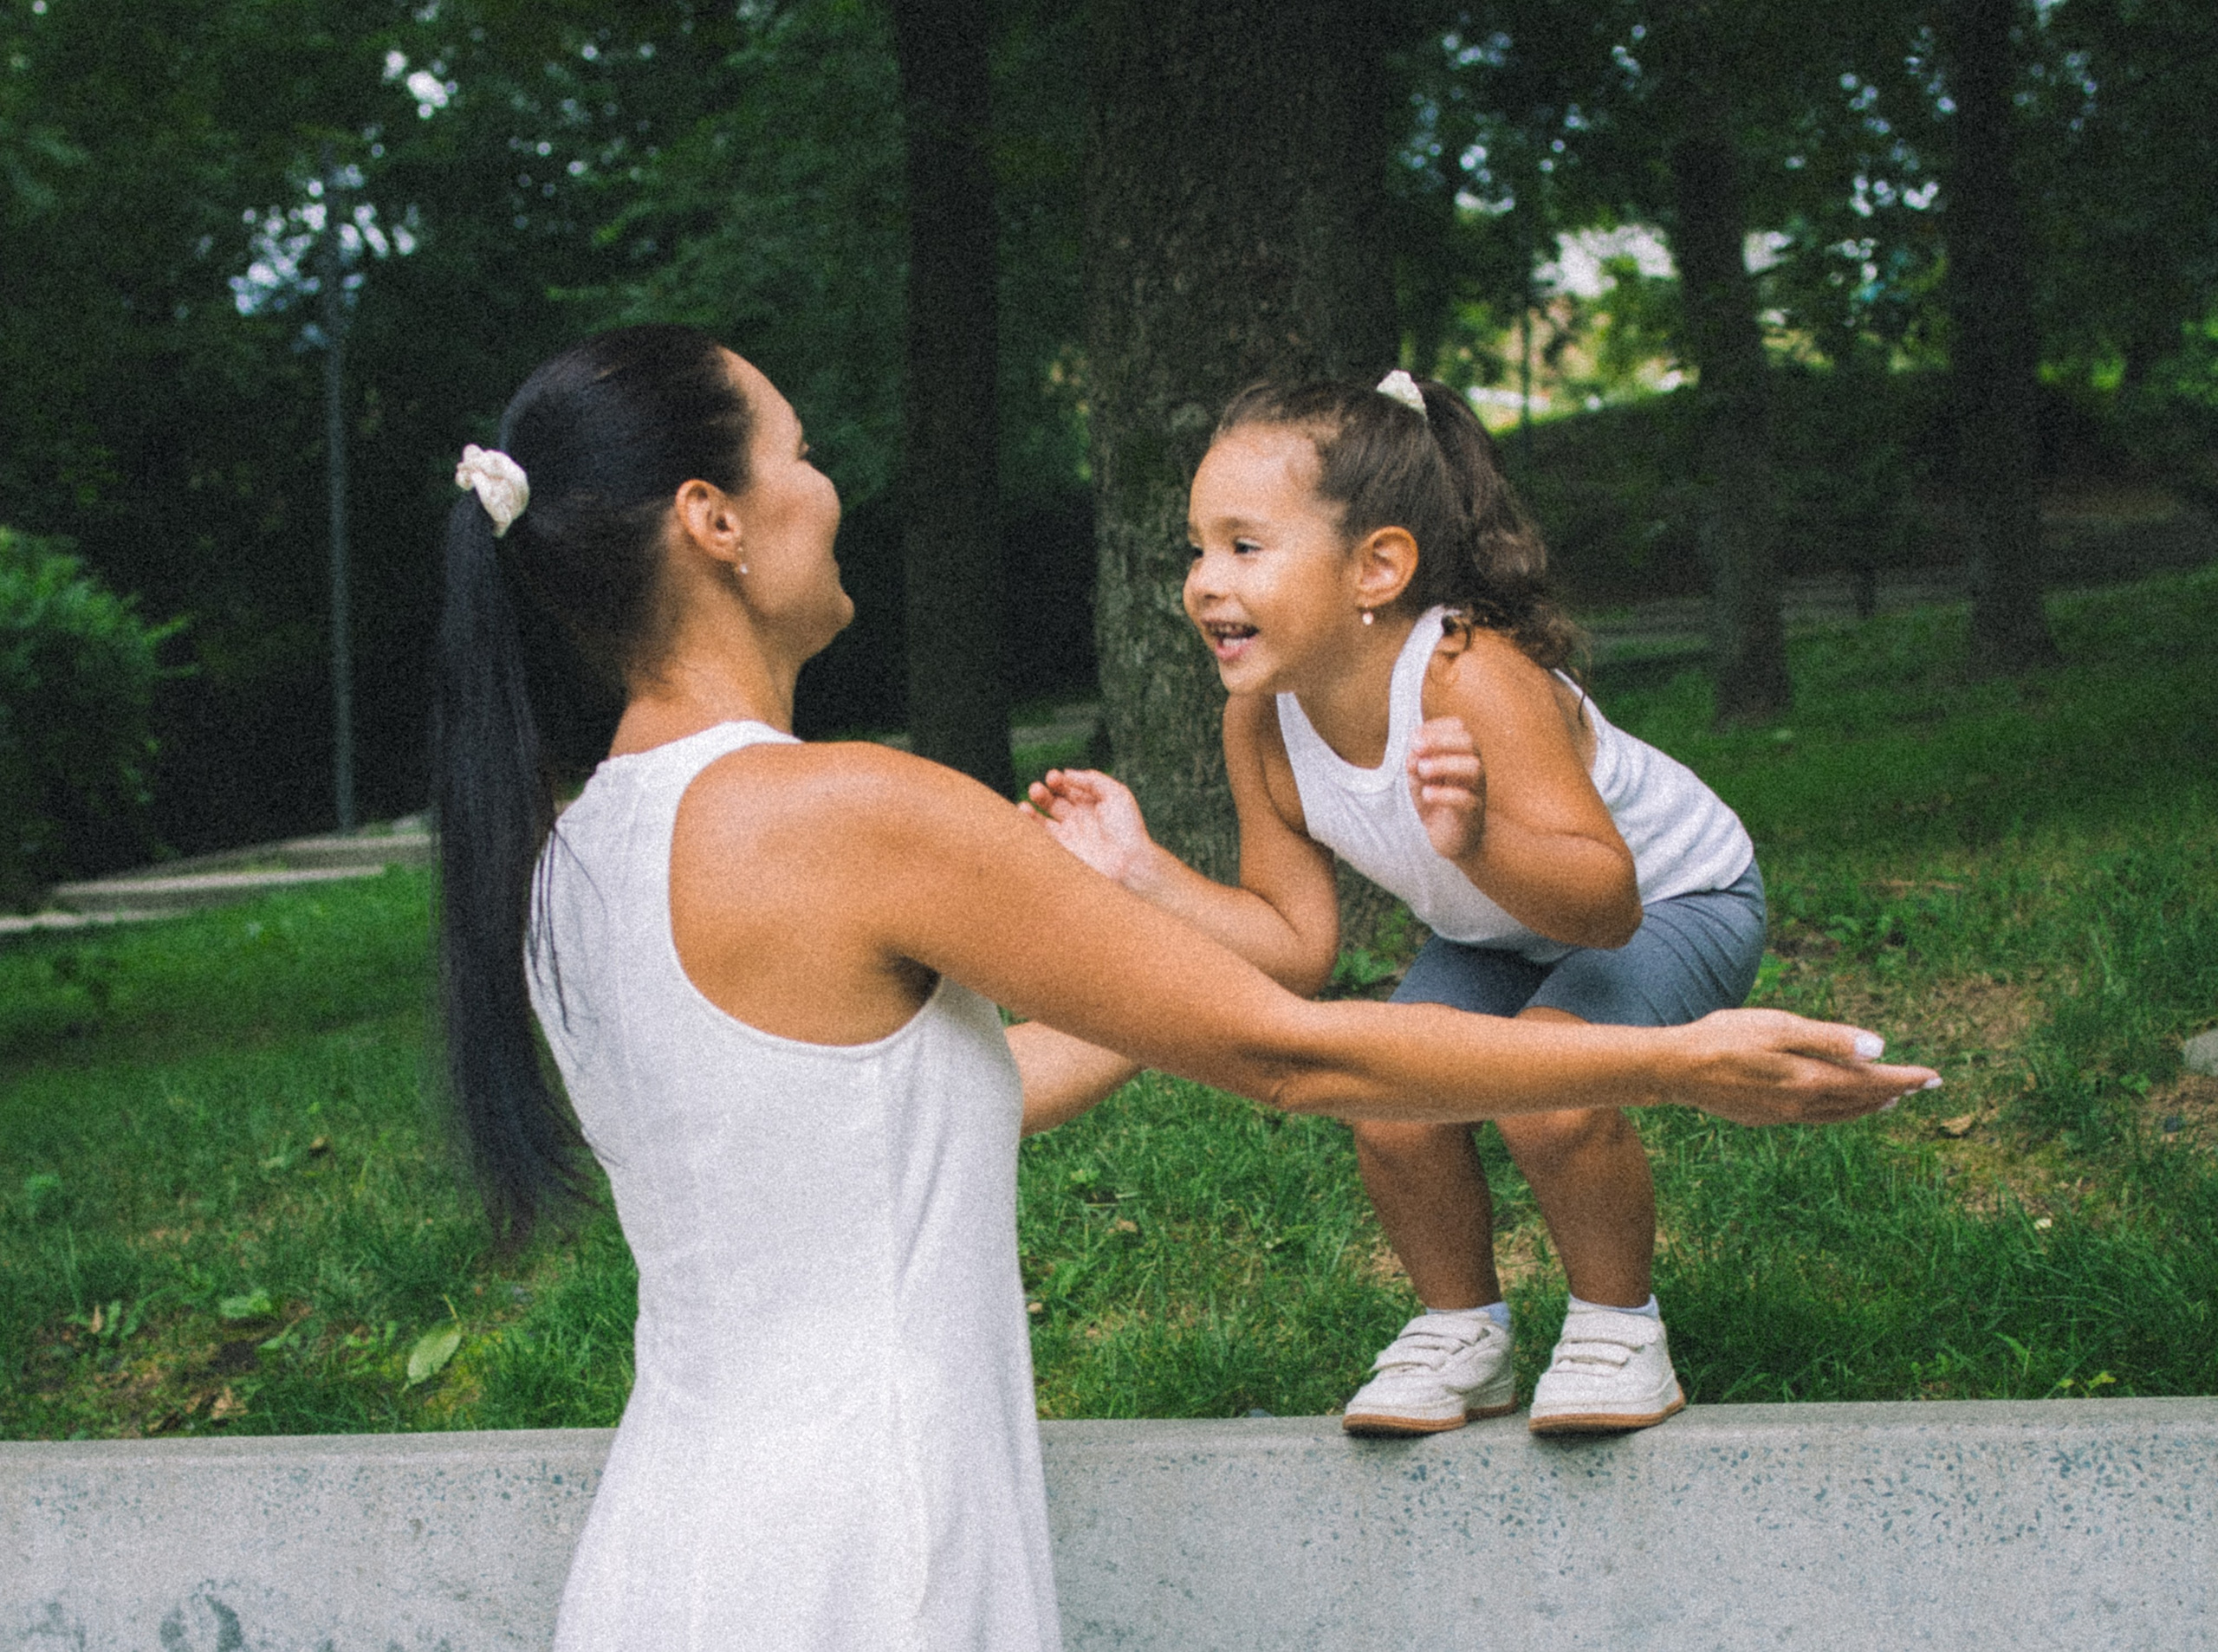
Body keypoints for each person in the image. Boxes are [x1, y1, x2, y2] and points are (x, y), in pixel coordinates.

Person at [434, 327, 1934, 1652]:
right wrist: (1674, 1060)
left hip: (661, 1562)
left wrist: (1153, 956)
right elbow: (1290, 1057)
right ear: (714, 520)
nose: (828, 487)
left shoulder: (571, 866)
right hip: (866, 1556)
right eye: (799, 453)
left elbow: (926, 1117)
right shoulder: (842, 810)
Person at [1028, 371, 1787, 1439]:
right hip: (1496, 931)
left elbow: (1605, 904)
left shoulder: (1472, 676)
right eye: (1195, 549)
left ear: (1376, 567)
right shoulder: (1262, 722)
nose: (1204, 581)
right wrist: (1139, 867)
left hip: (1677, 899)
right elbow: (1292, 948)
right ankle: (1462, 1330)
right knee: (1384, 1097)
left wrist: (1479, 840)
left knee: (1551, 1092)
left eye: (1244, 546)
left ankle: (1621, 1326)